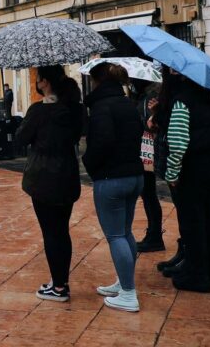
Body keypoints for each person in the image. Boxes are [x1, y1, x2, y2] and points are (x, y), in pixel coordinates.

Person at [15, 65, 84, 302]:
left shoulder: (39, 111)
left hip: (43, 178)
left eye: (38, 78)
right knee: (62, 231)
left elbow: (21, 138)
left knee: (51, 232)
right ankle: (60, 281)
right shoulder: (75, 110)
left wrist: (37, 114)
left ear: (44, 82)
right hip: (67, 175)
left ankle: (59, 287)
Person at [154, 67, 210, 293]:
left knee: (192, 222)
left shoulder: (182, 101)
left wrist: (172, 173)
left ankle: (197, 275)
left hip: (192, 168)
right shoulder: (209, 99)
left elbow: (178, 141)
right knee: (209, 218)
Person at [83, 63, 144, 312]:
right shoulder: (127, 103)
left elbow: (102, 142)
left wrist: (90, 164)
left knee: (116, 235)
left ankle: (129, 294)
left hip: (111, 178)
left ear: (97, 81)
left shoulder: (101, 107)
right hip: (134, 174)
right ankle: (124, 281)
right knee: (126, 232)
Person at [133, 80, 165, 253]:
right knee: (148, 195)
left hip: (148, 150)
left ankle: (155, 236)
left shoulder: (150, 97)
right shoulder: (144, 96)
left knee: (149, 194)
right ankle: (153, 234)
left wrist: (150, 117)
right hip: (148, 150)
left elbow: (150, 124)